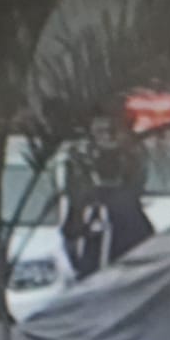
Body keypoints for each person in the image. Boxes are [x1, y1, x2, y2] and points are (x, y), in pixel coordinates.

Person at [62, 105, 154, 279]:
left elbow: (137, 182)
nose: (106, 136)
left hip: (125, 227)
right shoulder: (79, 157)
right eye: (99, 131)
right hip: (91, 230)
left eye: (111, 130)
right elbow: (74, 201)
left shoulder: (132, 154)